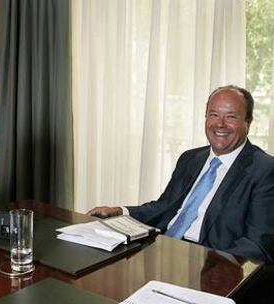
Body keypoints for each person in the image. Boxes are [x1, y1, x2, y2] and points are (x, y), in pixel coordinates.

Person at [87, 85, 274, 263]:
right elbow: (164, 207)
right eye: (213, 114)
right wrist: (121, 212)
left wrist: (209, 265)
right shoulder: (191, 158)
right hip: (161, 249)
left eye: (231, 117)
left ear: (248, 123)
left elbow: (257, 244)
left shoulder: (264, 169)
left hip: (208, 263)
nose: (220, 124)